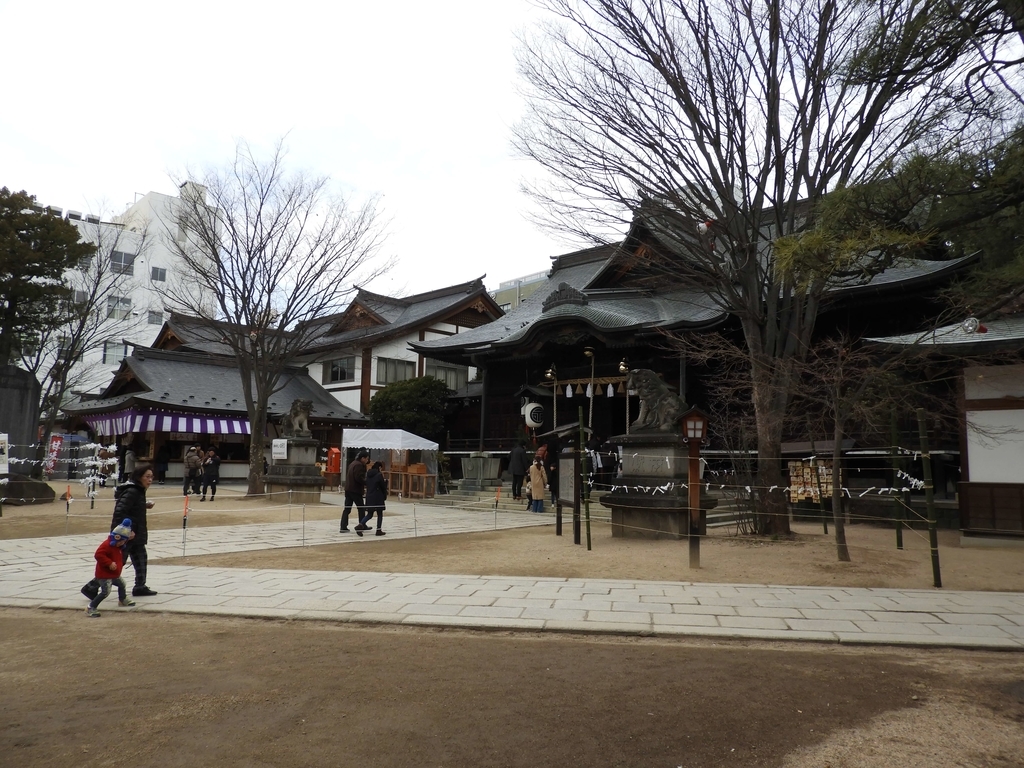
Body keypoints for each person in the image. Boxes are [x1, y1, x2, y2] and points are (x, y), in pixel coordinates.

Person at [114, 464, 157, 597]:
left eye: (151, 477)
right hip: (127, 534)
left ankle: (140, 586)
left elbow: (132, 508)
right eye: (147, 477)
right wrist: (125, 531)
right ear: (139, 477)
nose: (150, 480)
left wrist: (143, 506)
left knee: (141, 559)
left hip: (136, 533)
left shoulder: (139, 490)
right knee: (117, 562)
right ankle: (93, 586)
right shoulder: (132, 491)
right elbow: (120, 511)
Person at [84, 518, 136, 617]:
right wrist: (109, 563)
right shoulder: (107, 545)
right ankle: (91, 607)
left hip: (114, 574)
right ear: (116, 537)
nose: (122, 543)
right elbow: (98, 555)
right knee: (105, 592)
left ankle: (122, 599)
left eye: (124, 542)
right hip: (105, 574)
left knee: (122, 584)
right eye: (121, 541)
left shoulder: (117, 546)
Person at [340, 451, 370, 532]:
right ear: (362, 458)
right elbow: (359, 477)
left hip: (349, 488)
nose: (367, 460)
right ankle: (362, 524)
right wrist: (366, 482)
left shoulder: (353, 463)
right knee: (361, 508)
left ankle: (343, 526)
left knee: (347, 508)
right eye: (366, 459)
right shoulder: (359, 465)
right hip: (355, 490)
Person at [358, 460, 388, 537]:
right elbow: (382, 486)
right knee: (380, 513)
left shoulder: (368, 474)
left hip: (369, 495)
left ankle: (361, 524)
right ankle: (378, 529)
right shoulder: (379, 475)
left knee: (370, 514)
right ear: (379, 467)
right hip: (378, 497)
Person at [545, 435, 561, 504]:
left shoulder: (548, 454)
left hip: (551, 469)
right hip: (556, 470)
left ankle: (553, 503)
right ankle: (557, 502)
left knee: (553, 491)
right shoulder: (557, 452)